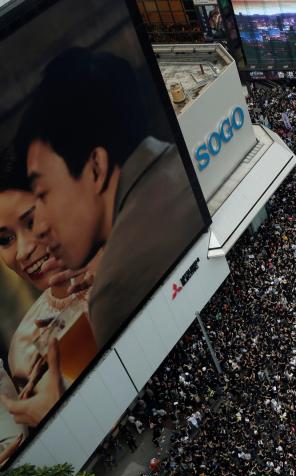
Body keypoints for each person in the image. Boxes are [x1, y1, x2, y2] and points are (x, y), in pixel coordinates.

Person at [16, 48, 205, 348]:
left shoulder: (113, 290)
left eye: (42, 193)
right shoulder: (198, 161)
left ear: (95, 167)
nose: (39, 226)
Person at [0, 147, 95, 465]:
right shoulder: (24, 346)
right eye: (4, 240)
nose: (24, 250)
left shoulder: (120, 261)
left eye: (32, 220)